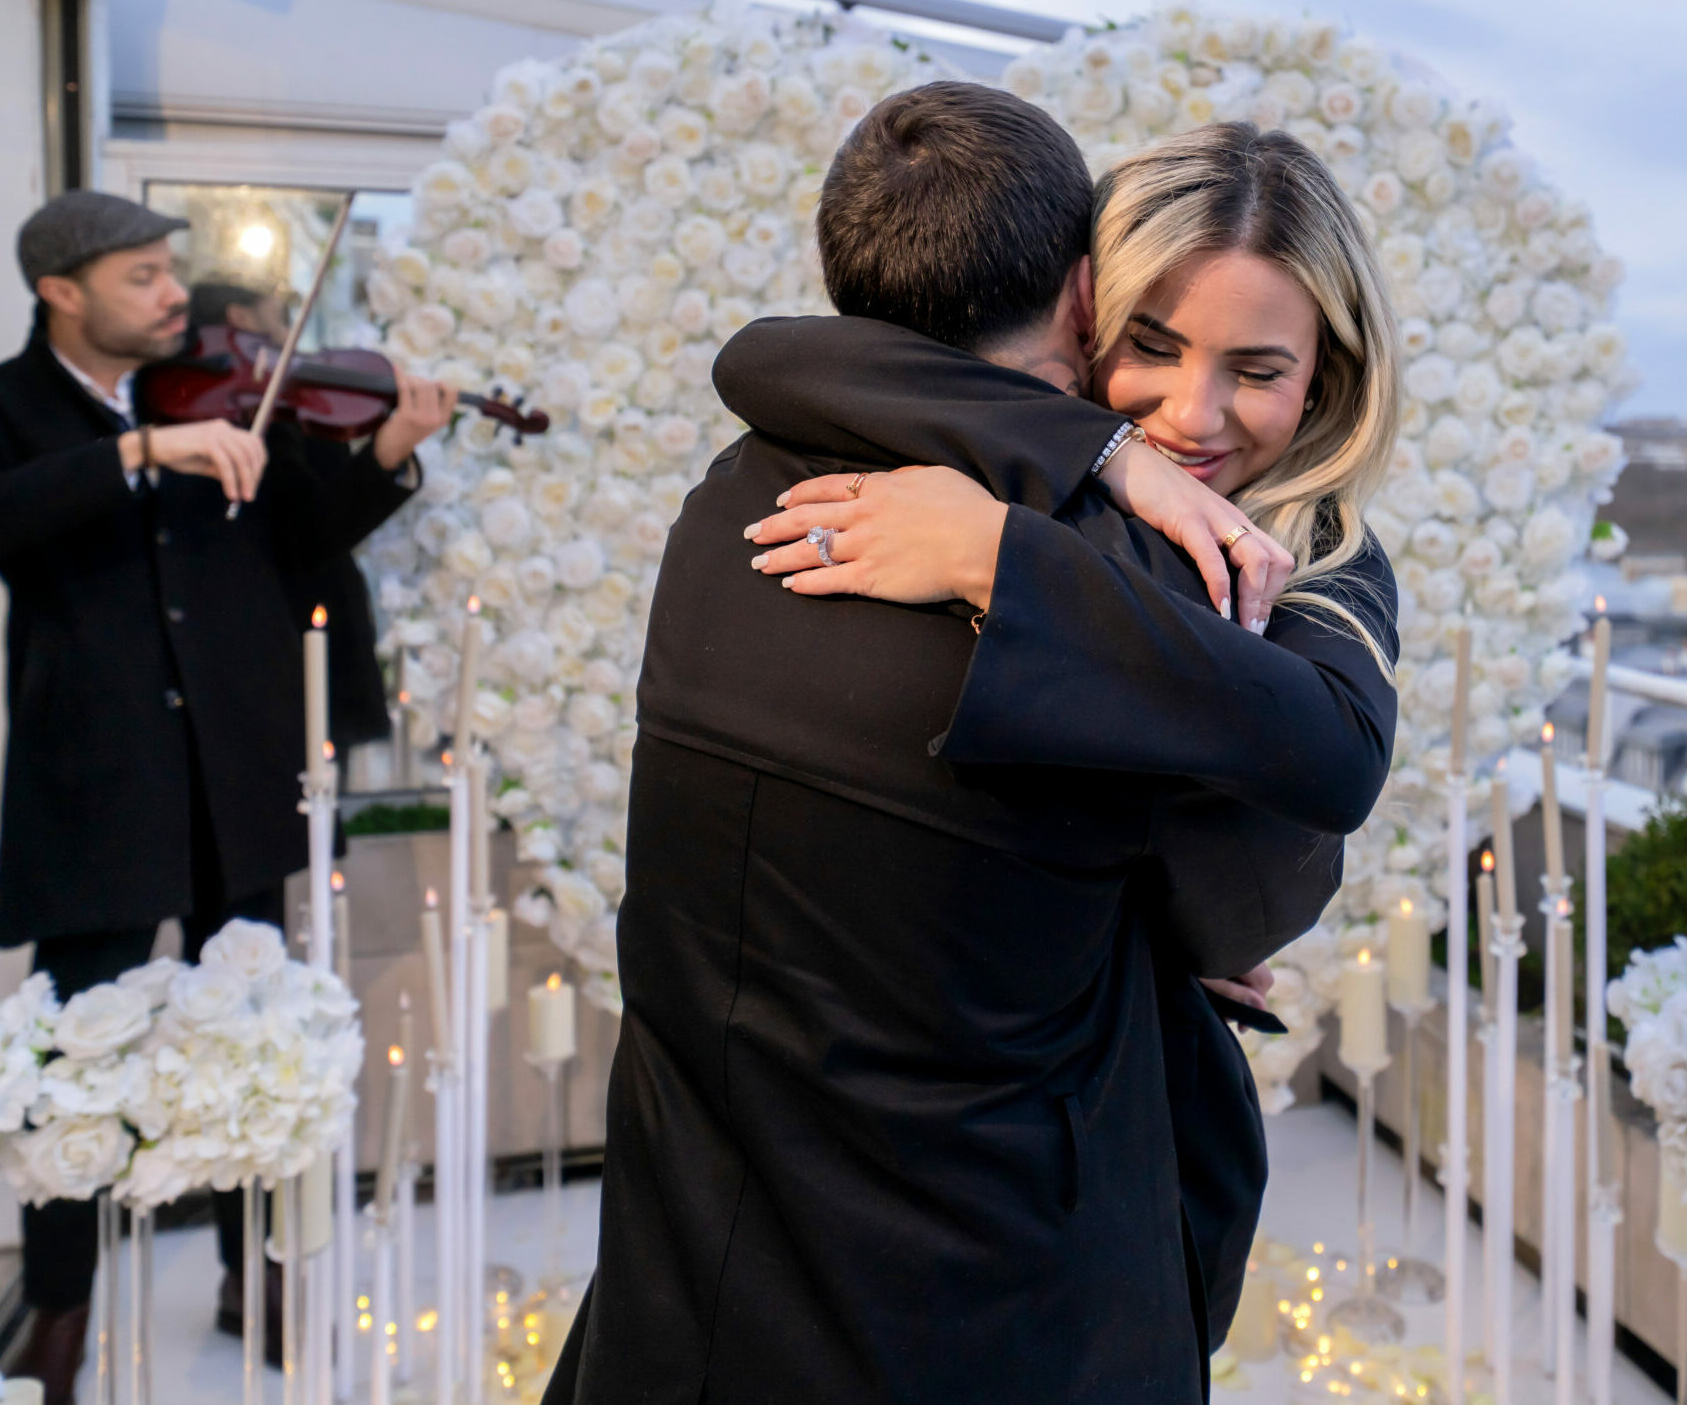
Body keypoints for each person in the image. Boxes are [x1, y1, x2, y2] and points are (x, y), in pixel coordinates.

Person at [546, 93, 1397, 1404]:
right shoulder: (979, 503)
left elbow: (1285, 815)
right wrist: (1065, 476)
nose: (1188, 413)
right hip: (962, 1282)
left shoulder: (744, 489)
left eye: (1259, 367)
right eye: (1147, 345)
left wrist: (1012, 536)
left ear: (1331, 371)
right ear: (1080, 304)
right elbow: (1235, 892)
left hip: (715, 1278)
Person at [0, 192, 455, 1404]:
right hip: (96, 783)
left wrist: (389, 451)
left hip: (234, 773)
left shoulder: (229, 390)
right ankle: (57, 1310)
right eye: (141, 278)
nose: (171, 296)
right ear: (62, 293)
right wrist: (140, 452)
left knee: (252, 1034)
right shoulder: (3, 406)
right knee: (70, 1052)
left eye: (167, 271)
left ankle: (259, 1274)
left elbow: (303, 540)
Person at [185, 278, 393, 761]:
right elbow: (312, 530)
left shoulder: (284, 398)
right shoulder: (246, 407)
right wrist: (387, 454)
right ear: (239, 318)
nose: (290, 335)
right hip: (283, 632)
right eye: (280, 317)